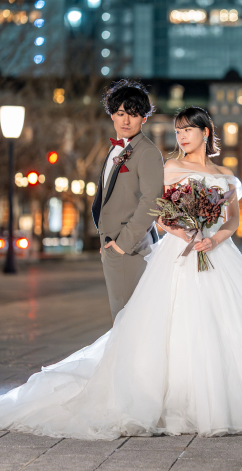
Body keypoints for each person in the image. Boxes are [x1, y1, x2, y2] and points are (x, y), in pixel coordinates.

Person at [0, 106, 242, 440]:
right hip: (178, 254)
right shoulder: (170, 168)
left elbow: (233, 221)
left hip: (219, 253)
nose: (181, 136)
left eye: (188, 130)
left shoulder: (225, 175)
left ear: (205, 133)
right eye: (178, 131)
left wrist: (213, 239)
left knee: (233, 325)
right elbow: (161, 217)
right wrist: (188, 231)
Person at [90, 79, 164, 320]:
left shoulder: (148, 151)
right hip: (113, 244)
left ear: (144, 118)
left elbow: (152, 201)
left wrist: (122, 245)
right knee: (123, 317)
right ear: (111, 114)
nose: (125, 120)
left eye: (133, 114)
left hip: (130, 248)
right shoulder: (116, 149)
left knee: (127, 319)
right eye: (120, 113)